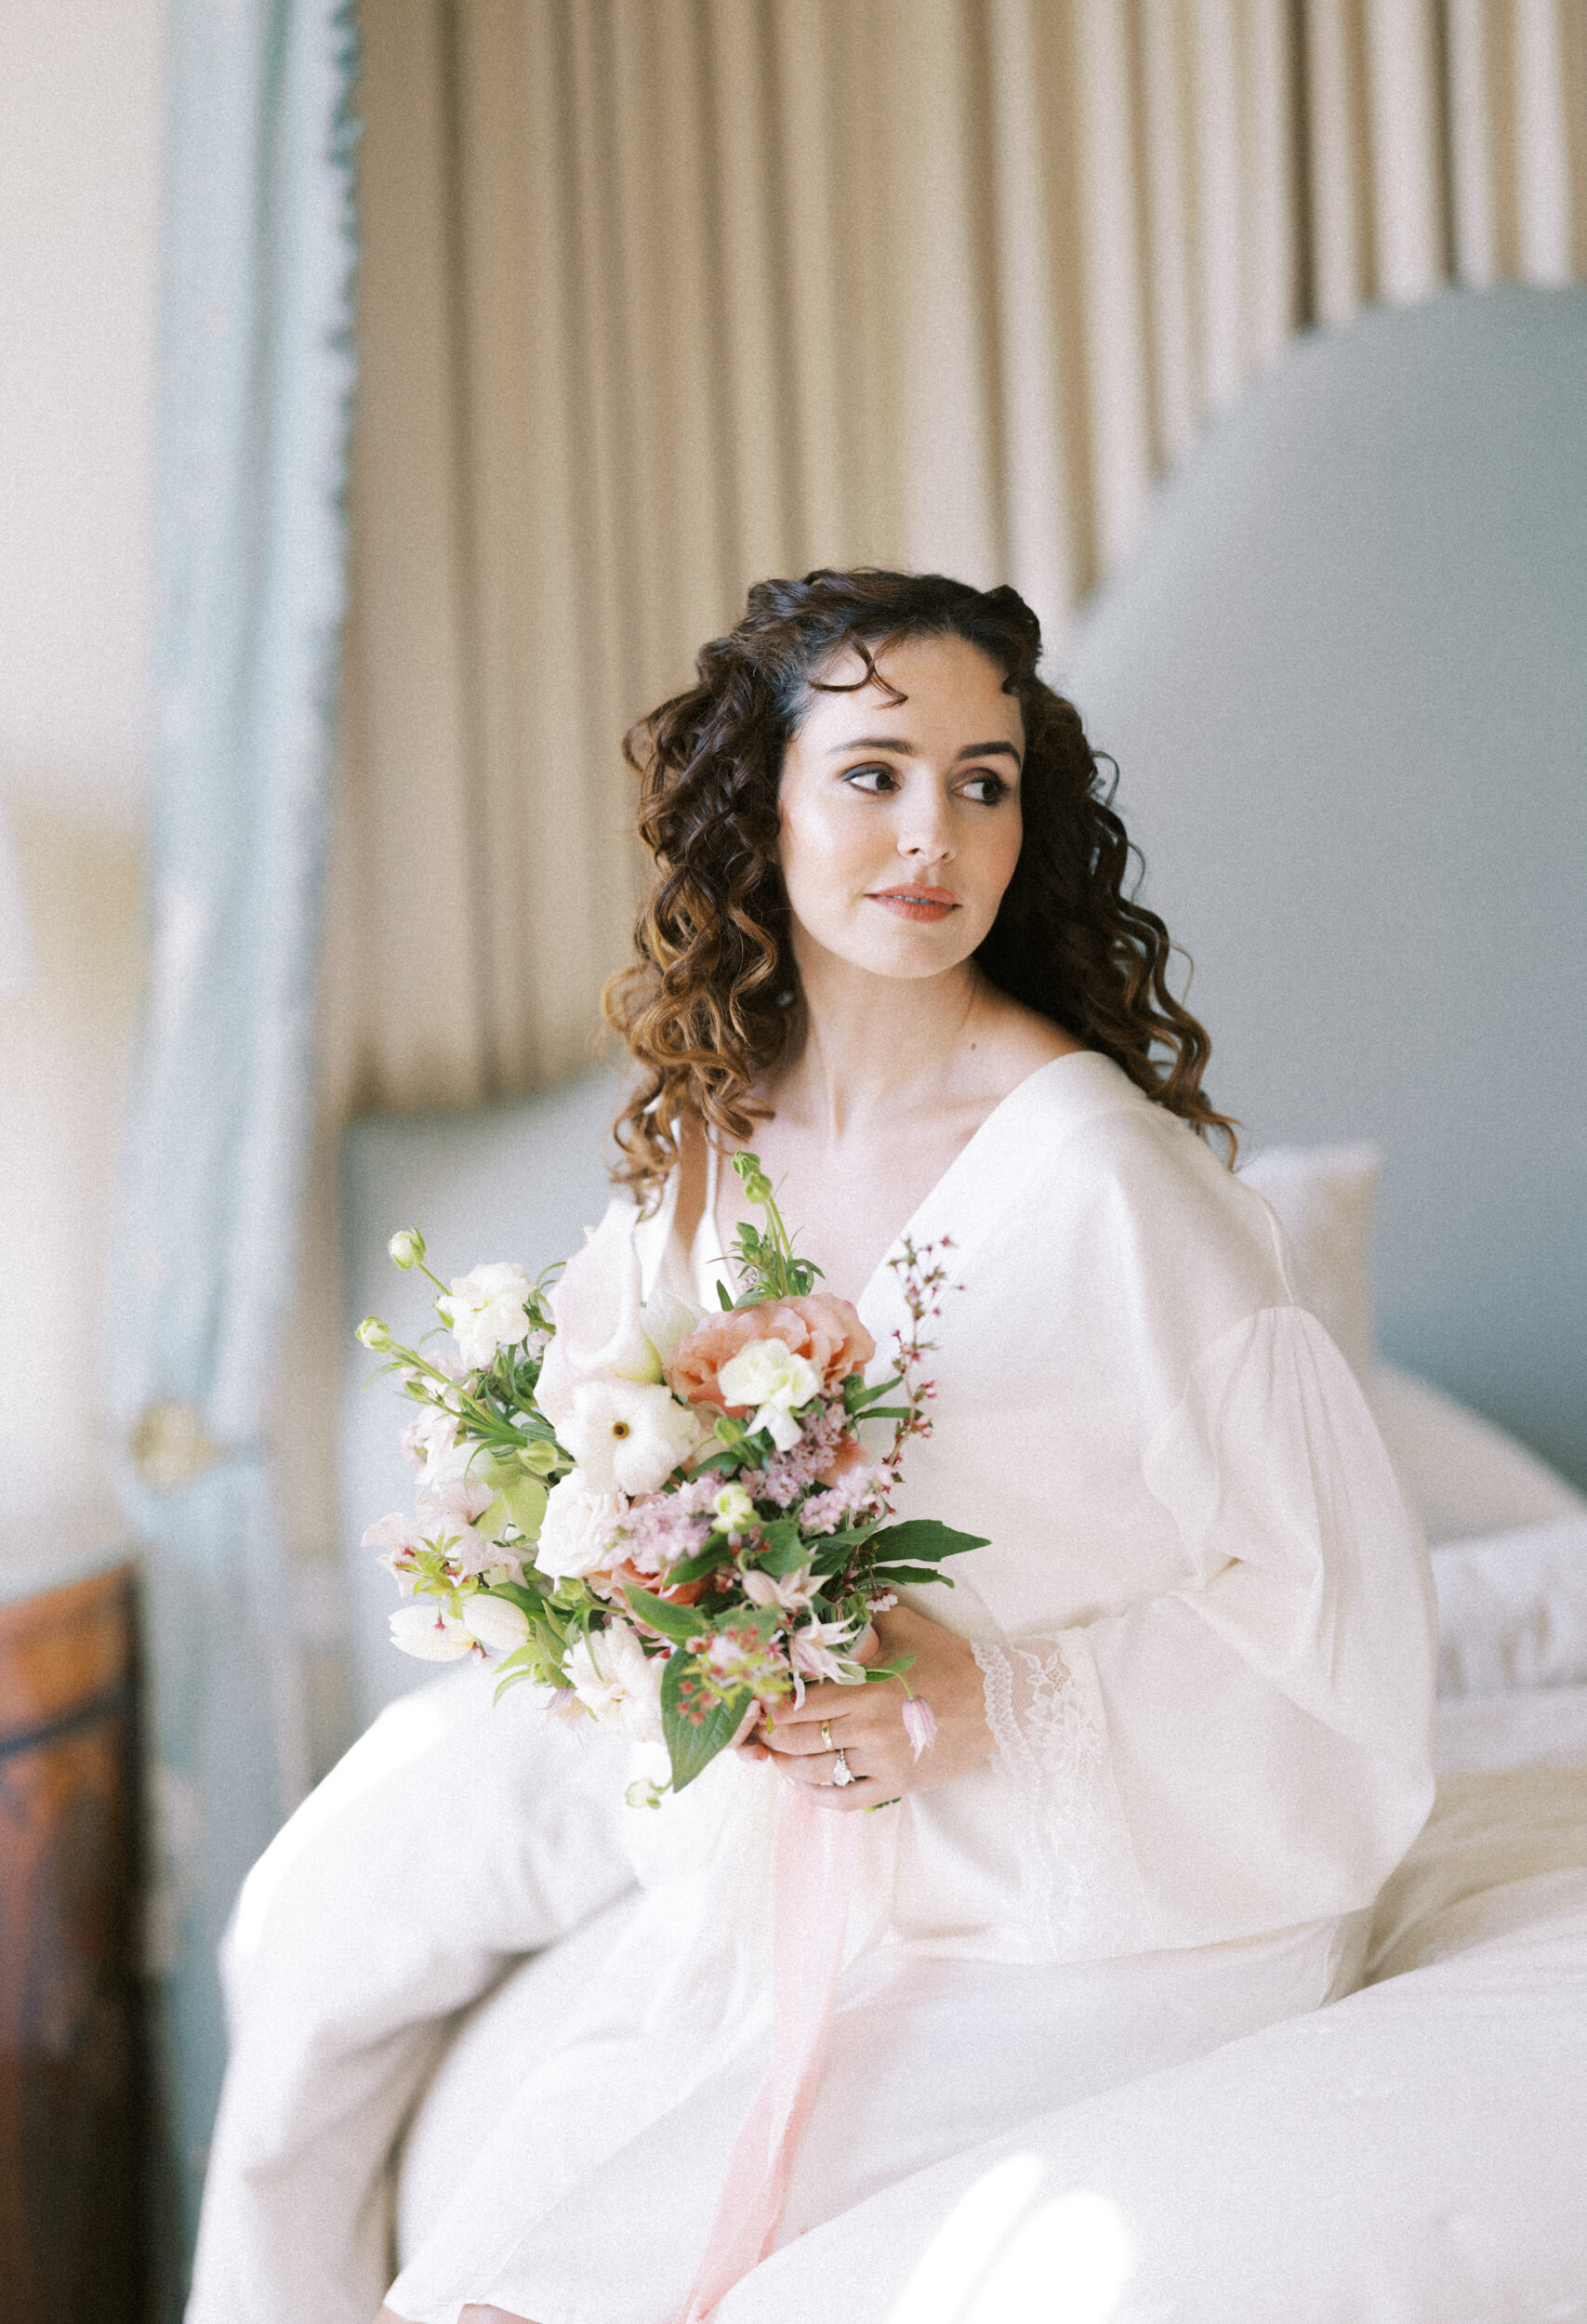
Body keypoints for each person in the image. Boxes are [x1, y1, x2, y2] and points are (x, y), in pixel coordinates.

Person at [193, 571, 1436, 2324]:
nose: (936, 830)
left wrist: (994, 1705)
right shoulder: (704, 1155)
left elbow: (1347, 1652)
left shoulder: (1110, 1183)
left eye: (984, 781)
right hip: (805, 1892)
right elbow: (624, 1483)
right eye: (875, 772)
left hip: (1110, 1918)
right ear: (760, 805)